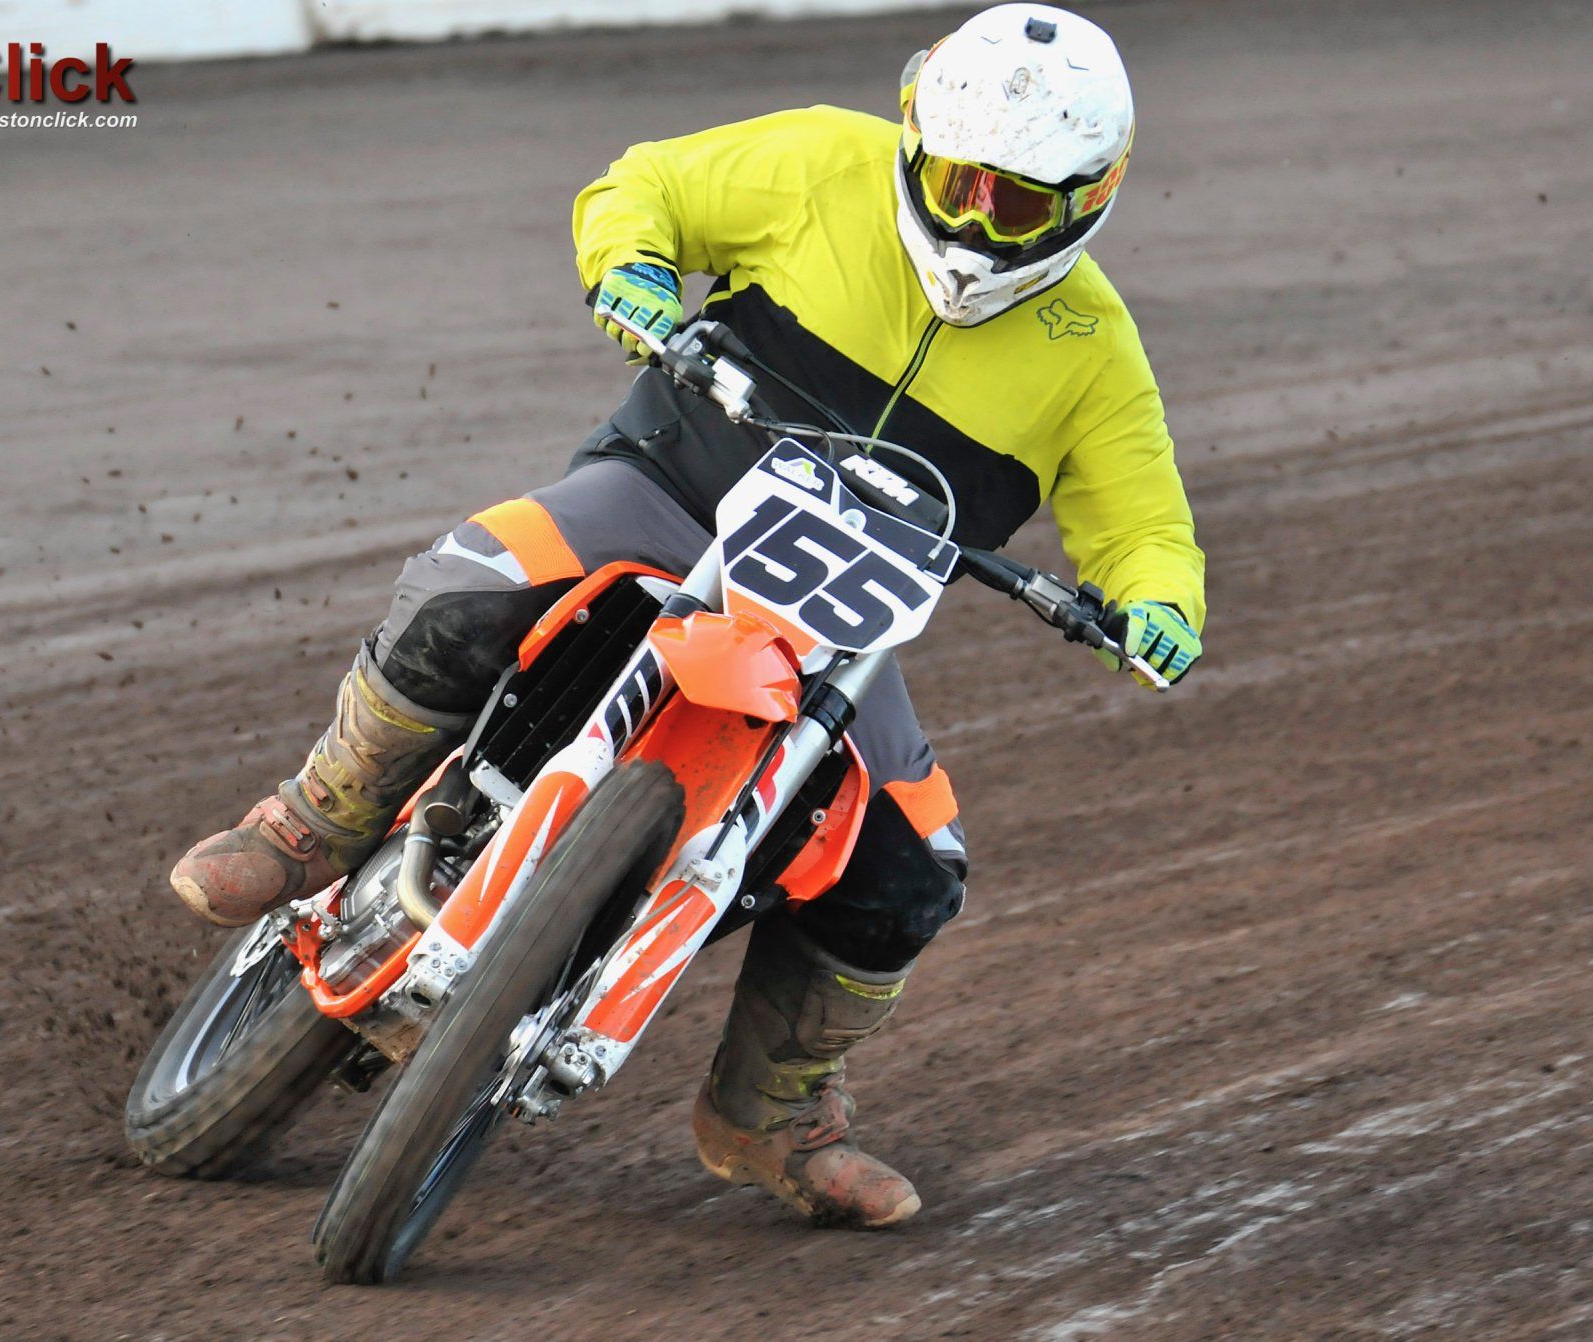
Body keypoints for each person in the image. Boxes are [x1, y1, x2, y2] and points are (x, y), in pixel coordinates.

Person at [169, 2, 1204, 1230]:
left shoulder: (1096, 351)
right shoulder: (821, 159)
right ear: (913, 141)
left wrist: (1158, 609)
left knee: (916, 872)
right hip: (666, 492)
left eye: (1019, 205)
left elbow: (1146, 528)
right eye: (958, 182)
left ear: (1092, 198)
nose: (978, 222)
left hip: (840, 639)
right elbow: (646, 186)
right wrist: (633, 268)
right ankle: (314, 819)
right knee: (473, 582)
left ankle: (770, 1111)